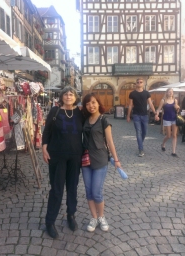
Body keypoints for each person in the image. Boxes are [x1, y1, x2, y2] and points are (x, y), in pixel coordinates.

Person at [42, 86, 84, 239]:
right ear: (61, 97)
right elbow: (47, 131)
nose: (68, 96)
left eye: (71, 94)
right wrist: (44, 148)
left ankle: (71, 215)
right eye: (65, 94)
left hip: (75, 156)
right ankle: (50, 221)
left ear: (75, 97)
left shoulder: (80, 113)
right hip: (57, 156)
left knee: (72, 187)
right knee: (57, 189)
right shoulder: (55, 111)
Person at [81, 93, 122, 232]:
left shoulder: (104, 120)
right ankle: (93, 217)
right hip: (86, 159)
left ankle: (101, 217)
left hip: (100, 159)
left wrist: (116, 159)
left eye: (93, 102)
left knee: (96, 192)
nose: (91, 106)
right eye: (87, 103)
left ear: (98, 103)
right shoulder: (85, 119)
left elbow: (110, 141)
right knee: (88, 191)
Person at [126, 78, 157, 157]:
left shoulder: (146, 93)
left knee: (145, 132)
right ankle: (141, 149)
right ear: (136, 84)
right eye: (138, 82)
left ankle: (140, 143)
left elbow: (150, 104)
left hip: (145, 116)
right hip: (136, 115)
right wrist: (128, 116)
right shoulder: (132, 93)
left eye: (141, 82)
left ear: (143, 84)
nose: (139, 83)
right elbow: (130, 105)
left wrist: (155, 113)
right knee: (138, 132)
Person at [155, 88, 180, 157]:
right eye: (169, 92)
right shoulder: (163, 101)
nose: (170, 93)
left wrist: (177, 108)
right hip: (166, 119)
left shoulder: (175, 100)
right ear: (166, 93)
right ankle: (163, 144)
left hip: (174, 119)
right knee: (169, 135)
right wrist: (156, 115)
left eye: (172, 92)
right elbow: (159, 109)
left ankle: (173, 152)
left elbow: (177, 111)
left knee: (174, 135)